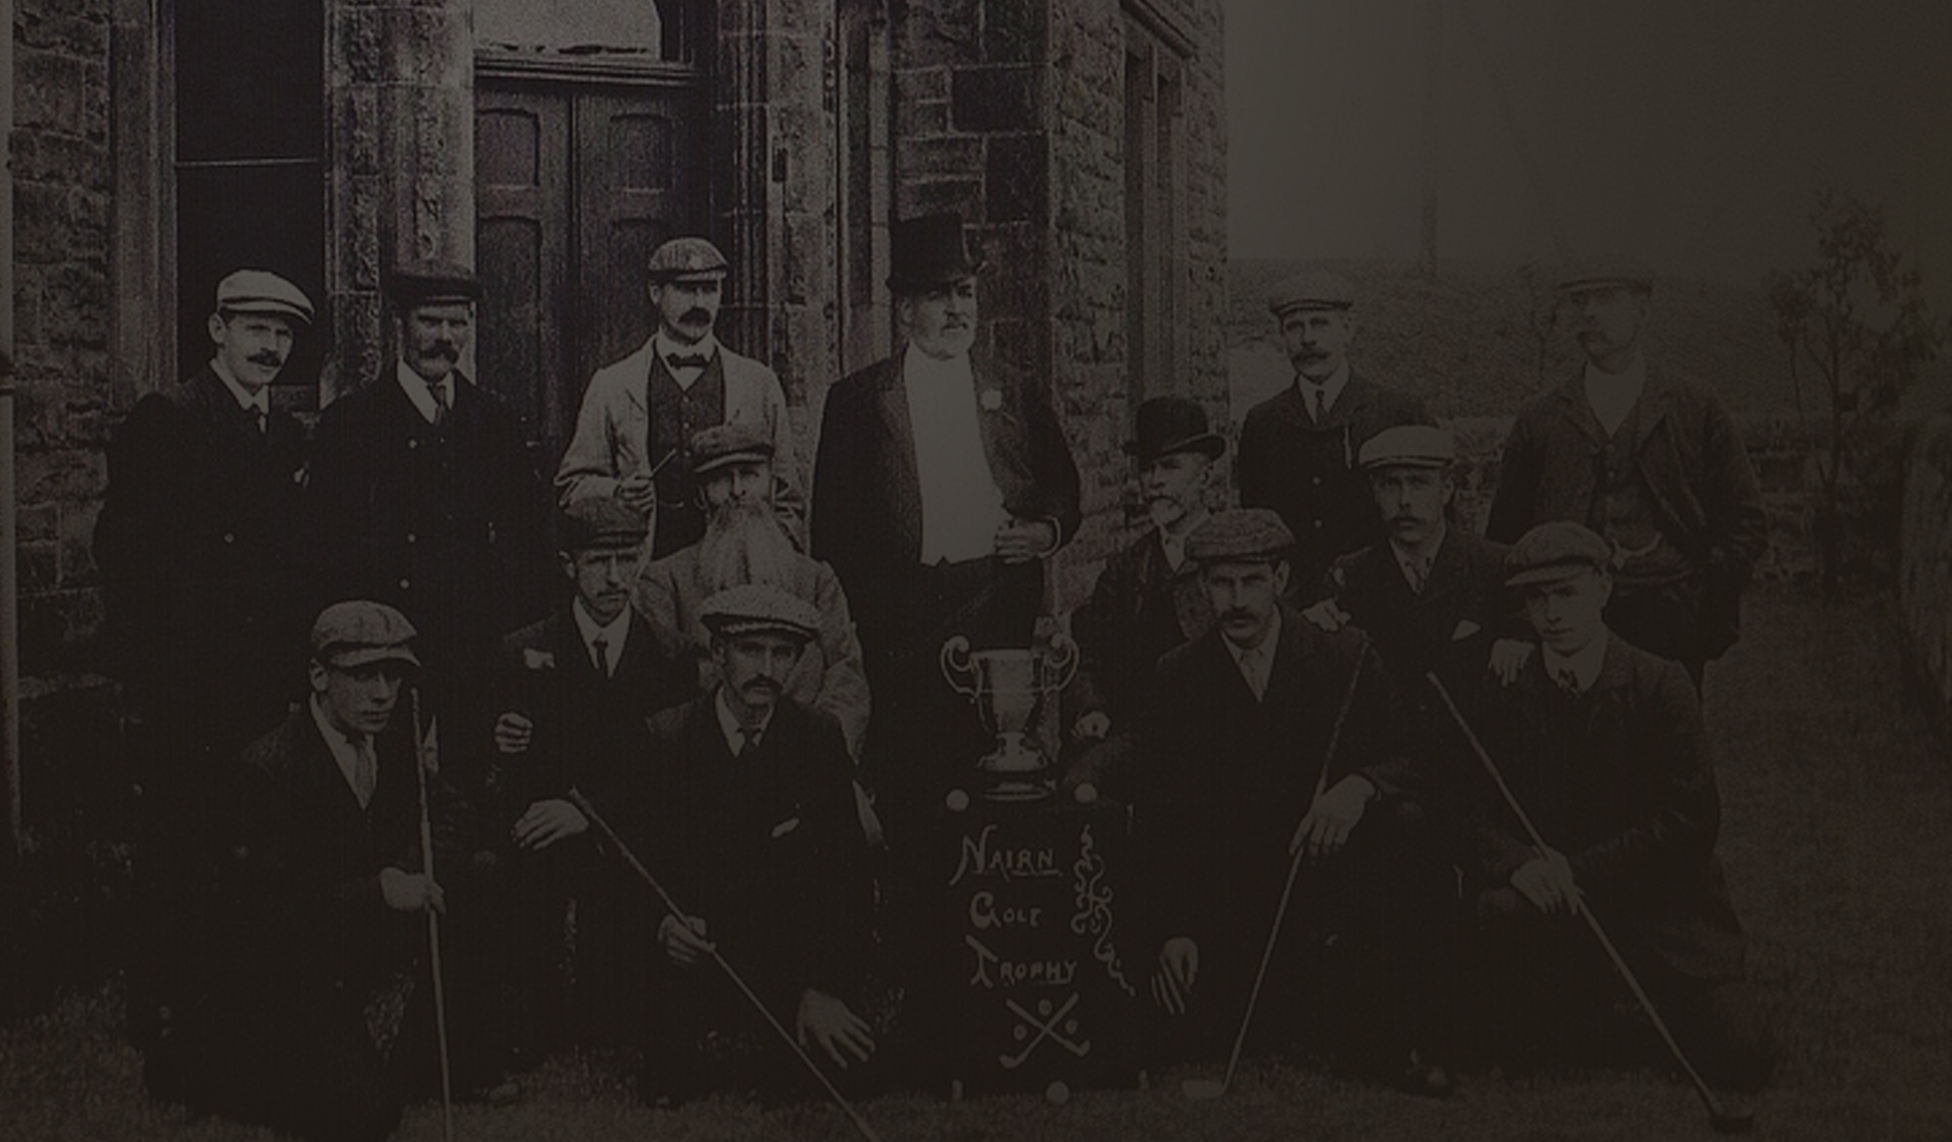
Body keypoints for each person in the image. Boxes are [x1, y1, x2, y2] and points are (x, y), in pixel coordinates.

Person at [1134, 509, 1454, 1097]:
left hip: (1335, 894)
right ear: (1203, 587)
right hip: (1236, 906)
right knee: (1176, 1030)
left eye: (1252, 580)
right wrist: (1173, 930)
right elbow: (1160, 819)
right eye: (1221, 582)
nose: (1236, 600)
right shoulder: (1175, 677)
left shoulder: (1346, 657)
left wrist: (1358, 788)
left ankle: (1387, 1038)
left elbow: (1411, 758)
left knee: (1405, 825)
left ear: (1281, 579)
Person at [1452, 521, 1772, 1092]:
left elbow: (1689, 824)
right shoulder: (1503, 688)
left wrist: (1577, 868)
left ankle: (1645, 996)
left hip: (1658, 906)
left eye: (1567, 592)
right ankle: (1571, 1002)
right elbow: (1470, 808)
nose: (1551, 612)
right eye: (1536, 597)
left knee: (1739, 1055)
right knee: (1502, 1040)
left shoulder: (1661, 684)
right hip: (1553, 908)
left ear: (1603, 587)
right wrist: (1519, 863)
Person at [95, 268, 318, 1061]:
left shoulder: (285, 434)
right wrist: (157, 674)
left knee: (250, 841)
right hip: (188, 685)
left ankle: (237, 1003)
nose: (271, 347)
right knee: (179, 846)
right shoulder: (169, 419)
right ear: (216, 331)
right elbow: (125, 555)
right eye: (256, 329)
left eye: (284, 334)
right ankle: (164, 1013)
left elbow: (293, 565)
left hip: (261, 683)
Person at [163, 602, 480, 1142]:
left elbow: (446, 812)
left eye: (394, 676)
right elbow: (267, 915)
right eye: (362, 675)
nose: (383, 693)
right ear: (318, 676)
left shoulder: (391, 737)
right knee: (364, 1115)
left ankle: (419, 1055)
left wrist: (404, 869)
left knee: (483, 874)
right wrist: (379, 890)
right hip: (282, 972)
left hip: (354, 946)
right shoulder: (268, 769)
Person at [811, 212, 1081, 835]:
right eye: (938, 295)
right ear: (904, 310)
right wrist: (873, 620)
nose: (957, 310)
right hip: (902, 625)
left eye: (965, 293)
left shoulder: (1012, 389)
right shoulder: (857, 401)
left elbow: (1063, 490)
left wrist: (1044, 533)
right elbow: (831, 533)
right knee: (914, 794)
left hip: (997, 608)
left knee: (998, 787)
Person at [627, 585, 879, 1102]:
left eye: (781, 653)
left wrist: (821, 986)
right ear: (717, 653)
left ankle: (794, 1030)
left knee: (831, 1079)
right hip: (698, 956)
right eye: (750, 650)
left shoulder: (818, 737)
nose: (766, 668)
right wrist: (663, 923)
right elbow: (633, 872)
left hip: (788, 956)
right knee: (666, 1083)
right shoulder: (666, 738)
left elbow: (848, 878)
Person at [308, 260, 551, 786]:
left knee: (471, 814)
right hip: (386, 667)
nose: (445, 338)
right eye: (430, 322)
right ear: (400, 324)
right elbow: (326, 560)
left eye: (458, 323)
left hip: (476, 664)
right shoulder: (351, 424)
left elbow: (528, 552)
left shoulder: (496, 423)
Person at [1485, 258, 1768, 687]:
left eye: (1606, 298)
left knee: (1667, 746)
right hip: (1567, 620)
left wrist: (1703, 597)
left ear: (1642, 309)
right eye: (1580, 301)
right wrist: (1515, 626)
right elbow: (1505, 535)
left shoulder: (1695, 407)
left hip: (1669, 619)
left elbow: (1746, 522)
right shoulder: (1540, 418)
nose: (1589, 313)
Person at [481, 495, 683, 1051]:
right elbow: (500, 769)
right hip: (541, 827)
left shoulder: (666, 655)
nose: (615, 578)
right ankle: (522, 1013)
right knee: (510, 877)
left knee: (613, 1018)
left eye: (627, 559)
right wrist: (502, 747)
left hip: (628, 831)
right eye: (599, 562)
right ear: (569, 565)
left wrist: (587, 813)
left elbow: (665, 772)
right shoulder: (524, 649)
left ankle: (616, 1003)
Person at [635, 422, 871, 766]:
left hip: (807, 766)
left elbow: (846, 678)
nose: (737, 490)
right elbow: (664, 695)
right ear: (701, 495)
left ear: (772, 486)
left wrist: (826, 761)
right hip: (711, 768)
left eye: (749, 474)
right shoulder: (665, 582)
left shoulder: (816, 580)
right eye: (720, 478)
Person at [555, 236, 802, 557]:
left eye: (710, 289)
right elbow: (571, 487)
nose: (699, 303)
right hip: (647, 572)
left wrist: (769, 563)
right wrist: (617, 491)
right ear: (655, 293)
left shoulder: (759, 384)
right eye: (686, 290)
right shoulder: (613, 385)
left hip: (736, 572)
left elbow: (789, 498)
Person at [1061, 396, 1221, 797]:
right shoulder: (1126, 567)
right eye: (1147, 468)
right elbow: (1088, 656)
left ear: (1207, 476)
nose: (1155, 481)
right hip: (1140, 734)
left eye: (1171, 467)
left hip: (1222, 732)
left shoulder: (1237, 556)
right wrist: (1091, 708)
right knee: (1079, 788)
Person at [1236, 271, 1432, 593]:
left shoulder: (1398, 412)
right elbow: (1259, 534)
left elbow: (1434, 524)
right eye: (1294, 327)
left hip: (1383, 601)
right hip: (1296, 609)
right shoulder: (1262, 424)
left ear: (1348, 329)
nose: (1308, 339)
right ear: (1282, 336)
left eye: (1320, 323)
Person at [1302, 424, 1513, 715]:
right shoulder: (1350, 577)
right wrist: (1314, 634)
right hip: (1384, 750)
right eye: (1390, 484)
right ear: (1375, 492)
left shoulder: (1493, 566)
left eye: (1419, 483)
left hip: (1469, 749)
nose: (1404, 501)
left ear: (1447, 490)